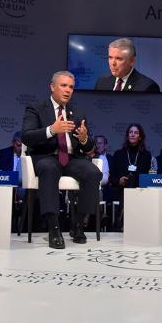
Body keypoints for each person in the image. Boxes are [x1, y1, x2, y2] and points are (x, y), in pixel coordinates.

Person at [21, 70, 101, 249]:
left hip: (72, 159)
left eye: (71, 87)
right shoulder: (36, 108)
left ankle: (78, 225)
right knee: (49, 168)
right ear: (52, 87)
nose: (68, 90)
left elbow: (88, 148)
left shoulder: (77, 112)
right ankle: (54, 229)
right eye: (64, 86)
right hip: (47, 157)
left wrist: (84, 139)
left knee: (94, 173)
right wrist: (51, 130)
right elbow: (26, 136)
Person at [93, 38, 160, 92]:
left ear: (132, 61)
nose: (113, 63)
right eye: (110, 57)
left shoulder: (148, 87)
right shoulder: (101, 82)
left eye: (118, 58)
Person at [108, 124, 152, 203]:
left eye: (136, 132)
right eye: (130, 132)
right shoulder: (119, 154)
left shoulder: (146, 155)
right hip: (121, 191)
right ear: (127, 136)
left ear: (140, 137)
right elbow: (111, 177)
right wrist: (119, 181)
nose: (132, 134)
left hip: (140, 192)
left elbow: (148, 177)